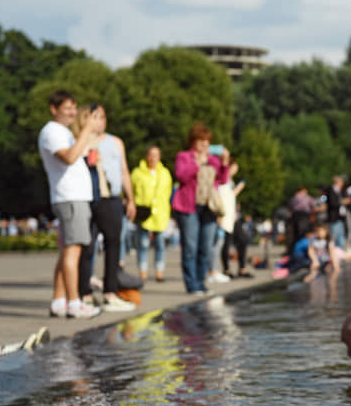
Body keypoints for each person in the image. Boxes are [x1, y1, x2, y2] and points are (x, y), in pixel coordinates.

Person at [38, 90, 102, 318]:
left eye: (74, 108)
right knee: (73, 252)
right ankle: (74, 304)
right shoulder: (51, 132)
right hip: (69, 198)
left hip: (73, 198)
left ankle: (59, 301)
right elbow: (69, 157)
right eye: (67, 108)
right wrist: (86, 130)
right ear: (54, 109)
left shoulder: (62, 131)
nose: (72, 113)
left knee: (67, 251)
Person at [73, 104, 136, 313]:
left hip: (111, 198)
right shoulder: (80, 141)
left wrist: (131, 198)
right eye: (96, 117)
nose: (101, 121)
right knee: (87, 247)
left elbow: (124, 171)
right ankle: (85, 292)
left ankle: (110, 291)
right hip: (88, 197)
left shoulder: (115, 142)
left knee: (113, 244)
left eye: (103, 116)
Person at [173, 123, 235, 294]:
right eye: (200, 141)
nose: (204, 145)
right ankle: (191, 284)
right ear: (193, 142)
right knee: (190, 247)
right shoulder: (184, 157)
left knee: (206, 246)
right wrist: (197, 163)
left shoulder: (213, 160)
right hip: (188, 206)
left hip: (209, 207)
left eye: (207, 141)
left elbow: (222, 180)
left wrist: (224, 163)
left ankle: (201, 282)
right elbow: (181, 176)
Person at [131, 146, 173, 282]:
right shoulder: (137, 173)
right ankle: (143, 271)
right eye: (151, 155)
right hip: (143, 213)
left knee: (160, 244)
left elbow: (168, 193)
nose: (153, 158)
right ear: (146, 156)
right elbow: (131, 191)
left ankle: (159, 271)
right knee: (142, 244)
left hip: (160, 214)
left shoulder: (165, 173)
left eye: (156, 155)